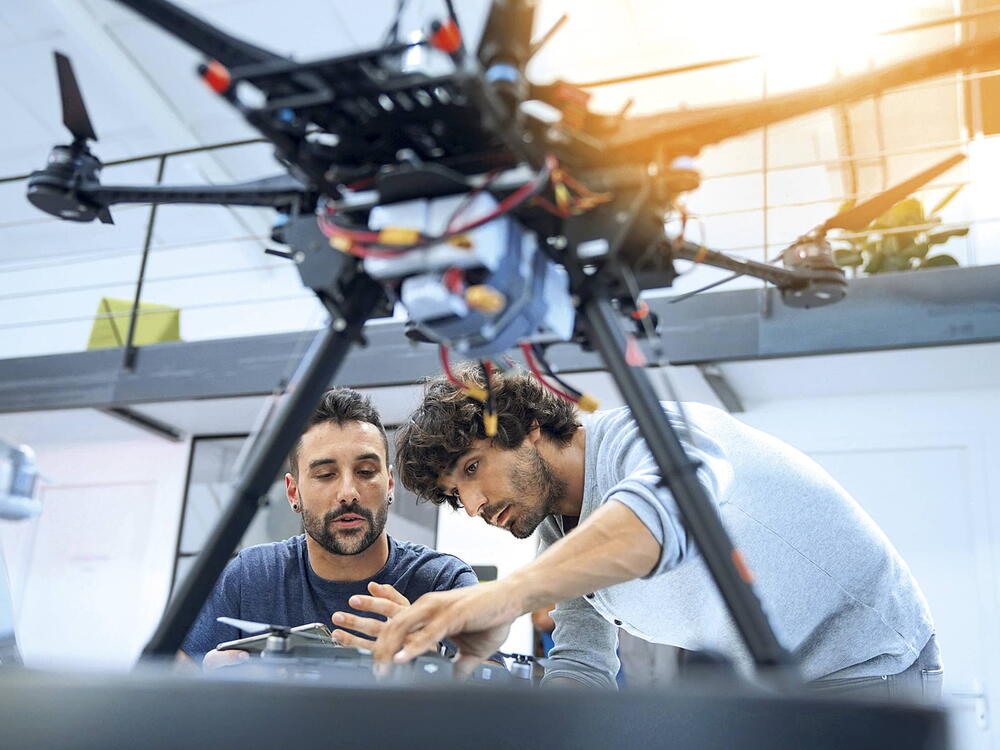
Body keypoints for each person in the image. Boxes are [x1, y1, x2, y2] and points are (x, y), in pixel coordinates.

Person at [372, 364, 941, 700]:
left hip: (870, 668)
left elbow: (659, 518)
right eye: (453, 495)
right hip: (778, 694)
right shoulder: (560, 537)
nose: (471, 505)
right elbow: (582, 665)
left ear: (530, 428)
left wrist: (502, 596)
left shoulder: (648, 435)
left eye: (472, 468)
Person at [180, 387, 478, 667]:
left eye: (365, 471)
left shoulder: (444, 582)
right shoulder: (250, 577)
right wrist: (215, 685)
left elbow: (491, 694)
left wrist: (433, 662)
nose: (348, 492)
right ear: (293, 492)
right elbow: (174, 675)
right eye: (325, 474)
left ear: (389, 484)